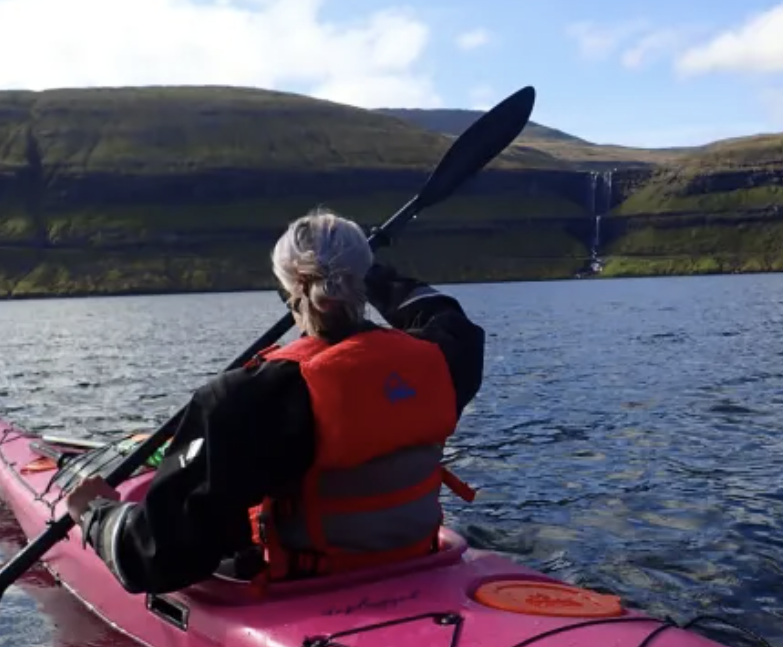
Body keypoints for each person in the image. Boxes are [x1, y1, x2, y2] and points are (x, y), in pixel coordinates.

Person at [66, 210, 484, 594]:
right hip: (417, 566)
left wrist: (95, 513)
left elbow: (161, 556)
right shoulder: (443, 360)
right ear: (360, 276)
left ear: (289, 289)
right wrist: (370, 273)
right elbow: (440, 312)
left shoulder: (247, 399)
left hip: (308, 592)